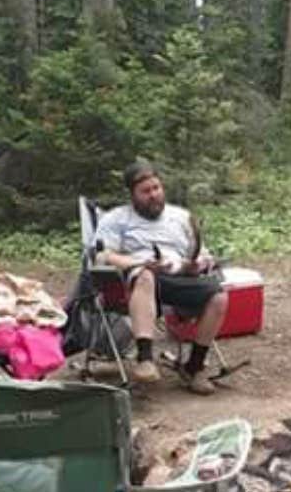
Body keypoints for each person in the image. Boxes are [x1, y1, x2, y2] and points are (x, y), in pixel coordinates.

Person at [94, 160, 229, 395]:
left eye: (156, 188)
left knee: (218, 297)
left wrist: (198, 264)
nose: (153, 195)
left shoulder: (181, 217)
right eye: (145, 192)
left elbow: (201, 254)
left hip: (180, 275)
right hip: (140, 280)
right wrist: (139, 262)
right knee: (146, 276)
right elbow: (104, 255)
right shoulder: (116, 219)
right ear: (132, 195)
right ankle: (145, 359)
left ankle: (194, 367)